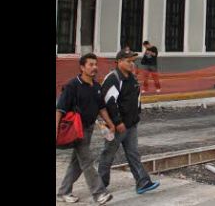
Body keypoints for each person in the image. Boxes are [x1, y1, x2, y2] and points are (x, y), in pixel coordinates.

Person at [97, 49, 160, 195]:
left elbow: (135, 99)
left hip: (131, 125)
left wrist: (136, 116)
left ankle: (142, 182)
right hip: (114, 126)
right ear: (118, 62)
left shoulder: (132, 78)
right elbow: (109, 102)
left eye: (133, 61)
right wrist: (118, 122)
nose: (132, 64)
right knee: (108, 154)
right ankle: (100, 185)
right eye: (128, 61)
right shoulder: (113, 78)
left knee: (133, 154)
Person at [56, 53, 114, 204]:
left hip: (88, 129)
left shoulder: (96, 86)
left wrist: (110, 123)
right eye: (91, 64)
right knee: (87, 161)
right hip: (75, 129)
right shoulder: (72, 85)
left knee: (77, 163)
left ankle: (63, 191)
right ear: (82, 67)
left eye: (95, 64)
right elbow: (60, 109)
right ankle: (99, 193)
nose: (95, 67)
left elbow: (101, 108)